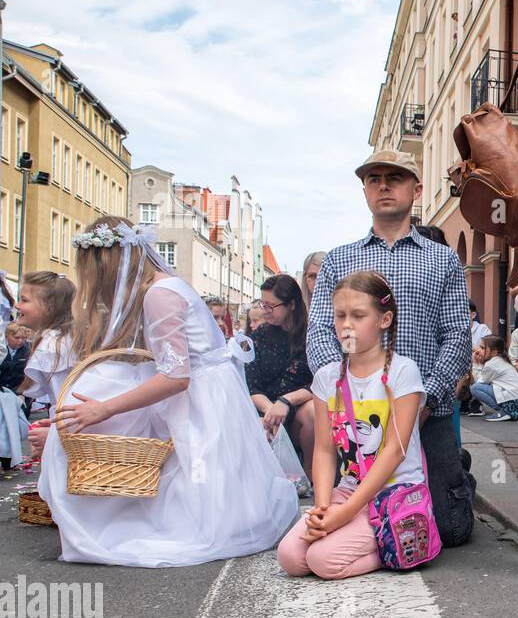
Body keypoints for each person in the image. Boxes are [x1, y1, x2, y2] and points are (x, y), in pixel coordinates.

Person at [43, 216, 298, 567]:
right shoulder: (167, 285)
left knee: (190, 489)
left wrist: (104, 409)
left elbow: (176, 378)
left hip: (197, 394)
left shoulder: (159, 295)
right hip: (210, 389)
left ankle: (104, 509)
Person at [307, 149, 476, 549]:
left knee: (451, 530)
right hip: (358, 416)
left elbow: (457, 335)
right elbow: (318, 333)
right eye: (374, 178)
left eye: (394, 178)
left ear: (416, 189)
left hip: (423, 411)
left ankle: (456, 475)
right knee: (353, 510)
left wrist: (427, 400)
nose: (383, 185)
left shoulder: (442, 259)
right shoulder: (338, 260)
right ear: (364, 190)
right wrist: (344, 393)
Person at [278, 272, 427, 580]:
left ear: (384, 320)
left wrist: (343, 515)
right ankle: (351, 533)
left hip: (392, 495)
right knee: (291, 558)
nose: (346, 325)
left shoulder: (403, 372)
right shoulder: (327, 378)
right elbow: (323, 449)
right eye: (340, 316)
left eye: (358, 315)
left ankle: (396, 544)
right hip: (347, 491)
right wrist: (322, 509)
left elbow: (395, 451)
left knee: (322, 560)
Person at [246, 274, 316, 476]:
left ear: (291, 305)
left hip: (298, 405)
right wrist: (270, 410)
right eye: (262, 304)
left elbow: (321, 381)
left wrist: (286, 401)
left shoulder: (312, 334)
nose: (264, 311)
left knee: (313, 412)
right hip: (265, 408)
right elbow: (252, 384)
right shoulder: (260, 335)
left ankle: (309, 474)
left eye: (271, 305)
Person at [16, 271, 76, 420]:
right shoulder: (62, 339)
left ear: (48, 306)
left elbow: (67, 402)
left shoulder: (52, 347)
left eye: (24, 300)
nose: (17, 305)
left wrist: (53, 431)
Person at [470, 336, 518, 423]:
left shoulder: (492, 364)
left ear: (494, 352)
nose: (479, 350)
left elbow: (480, 381)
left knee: (475, 388)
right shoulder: (501, 360)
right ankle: (509, 411)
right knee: (485, 386)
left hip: (512, 400)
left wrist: (476, 364)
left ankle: (504, 411)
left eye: (483, 348)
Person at [0, 323, 31, 469]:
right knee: (4, 428)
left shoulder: (27, 351)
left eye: (23, 338)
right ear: (7, 336)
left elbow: (29, 374)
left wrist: (23, 393)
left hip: (19, 392)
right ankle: (5, 457)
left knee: (17, 426)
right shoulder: (2, 350)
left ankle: (11, 458)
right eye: (16, 337)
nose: (20, 341)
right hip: (3, 392)